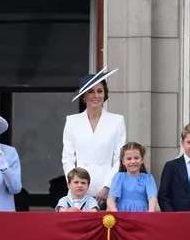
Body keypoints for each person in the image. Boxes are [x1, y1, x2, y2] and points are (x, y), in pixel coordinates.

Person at [62, 67, 126, 208]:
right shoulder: (72, 121)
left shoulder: (117, 121)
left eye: (99, 91)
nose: (95, 95)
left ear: (105, 94)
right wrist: (76, 184)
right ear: (83, 96)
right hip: (78, 190)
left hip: (108, 189)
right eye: (90, 91)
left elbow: (118, 159)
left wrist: (107, 187)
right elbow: (68, 158)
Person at [106, 142, 157, 212]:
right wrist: (116, 214)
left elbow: (152, 198)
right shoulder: (119, 177)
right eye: (129, 159)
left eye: (136, 158)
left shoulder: (148, 178)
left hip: (143, 215)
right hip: (122, 216)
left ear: (142, 160)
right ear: (123, 161)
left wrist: (150, 213)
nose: (133, 161)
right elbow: (110, 200)